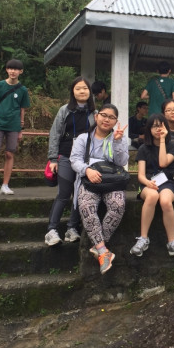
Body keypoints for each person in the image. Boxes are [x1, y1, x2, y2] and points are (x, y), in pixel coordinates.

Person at [70, 104, 128, 274]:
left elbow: (121, 162)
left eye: (111, 117)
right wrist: (87, 170)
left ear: (116, 121)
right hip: (89, 181)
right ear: (96, 117)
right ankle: (103, 251)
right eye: (104, 115)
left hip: (111, 182)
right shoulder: (83, 138)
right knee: (86, 205)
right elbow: (74, 160)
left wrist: (117, 142)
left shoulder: (118, 137)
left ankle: (99, 247)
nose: (107, 119)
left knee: (117, 204)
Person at [130, 113, 174, 257]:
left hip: (168, 183)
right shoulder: (143, 149)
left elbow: (163, 163)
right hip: (148, 183)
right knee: (152, 196)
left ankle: (172, 242)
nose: (158, 129)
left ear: (166, 127)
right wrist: (148, 183)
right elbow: (140, 175)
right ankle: (143, 239)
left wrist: (163, 140)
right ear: (149, 129)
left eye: (161, 125)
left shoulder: (173, 146)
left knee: (165, 201)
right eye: (154, 126)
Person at [44, 77, 95, 246]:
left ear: (90, 91)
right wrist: (53, 158)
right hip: (65, 156)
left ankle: (72, 228)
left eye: (85, 88)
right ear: (73, 91)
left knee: (79, 195)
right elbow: (55, 133)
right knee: (64, 194)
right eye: (78, 88)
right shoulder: (64, 110)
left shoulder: (95, 113)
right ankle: (51, 230)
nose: (82, 91)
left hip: (85, 160)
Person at [0, 59, 30, 195]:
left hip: (14, 126)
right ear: (6, 70)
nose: (12, 71)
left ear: (21, 71)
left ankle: (5, 185)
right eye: (10, 68)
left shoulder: (22, 90)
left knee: (9, 154)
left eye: (16, 69)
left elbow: (22, 109)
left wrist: (21, 128)